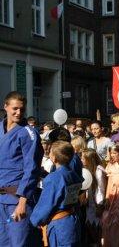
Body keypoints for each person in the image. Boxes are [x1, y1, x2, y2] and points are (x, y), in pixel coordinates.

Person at [0, 91, 43, 246]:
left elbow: (32, 169)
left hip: (17, 199)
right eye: (15, 108)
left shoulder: (28, 133)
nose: (19, 112)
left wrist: (23, 202)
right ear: (6, 107)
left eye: (22, 109)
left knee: (20, 243)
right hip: (0, 199)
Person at [30, 141, 82, 247]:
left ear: (54, 158)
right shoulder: (73, 175)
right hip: (72, 221)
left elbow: (46, 204)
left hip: (59, 225)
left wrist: (34, 220)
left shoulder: (54, 178)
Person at [81, 149, 107, 247]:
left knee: (98, 227)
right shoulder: (87, 170)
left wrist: (100, 205)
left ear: (90, 159)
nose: (82, 160)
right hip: (90, 202)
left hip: (97, 203)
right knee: (90, 225)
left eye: (84, 158)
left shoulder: (99, 171)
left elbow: (102, 189)